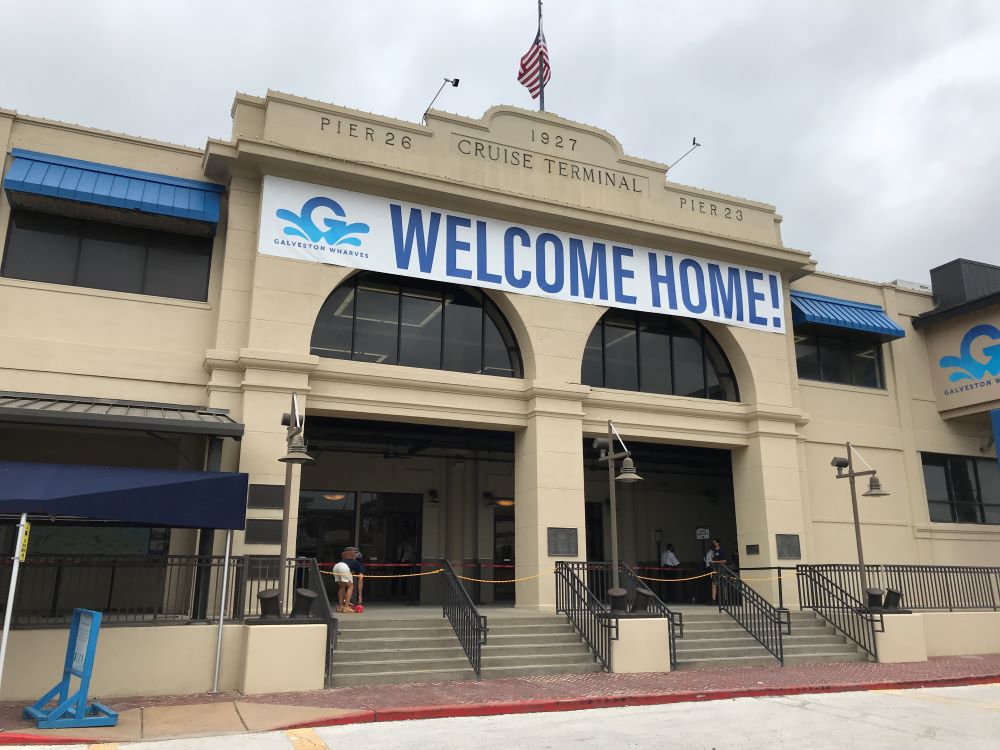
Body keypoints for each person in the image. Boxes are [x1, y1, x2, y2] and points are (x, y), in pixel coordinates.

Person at [705, 538, 728, 604]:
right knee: (714, 584)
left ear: (718, 543)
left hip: (721, 568)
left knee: (723, 584)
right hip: (714, 569)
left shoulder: (722, 550)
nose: (713, 544)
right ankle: (714, 600)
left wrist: (715, 561)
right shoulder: (713, 551)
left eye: (714, 542)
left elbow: (724, 561)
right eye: (713, 543)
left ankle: (725, 599)